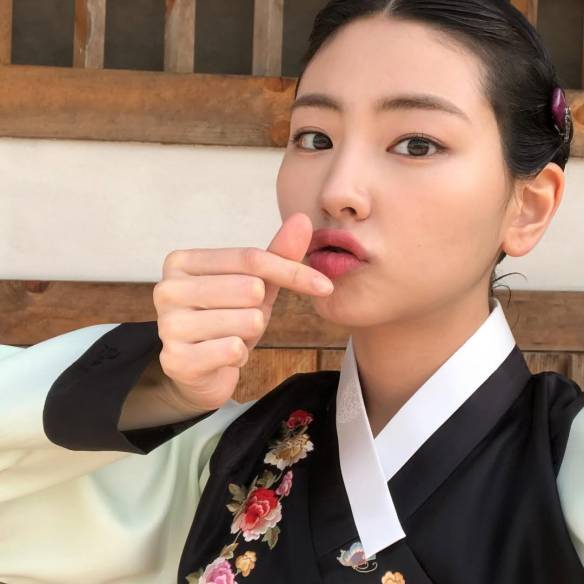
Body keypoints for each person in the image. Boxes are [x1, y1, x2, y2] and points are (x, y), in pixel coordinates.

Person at [1, 1, 581, 582]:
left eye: (417, 145)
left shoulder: (565, 464)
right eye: (315, 137)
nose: (338, 190)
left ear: (528, 208)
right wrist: (161, 389)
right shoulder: (221, 461)